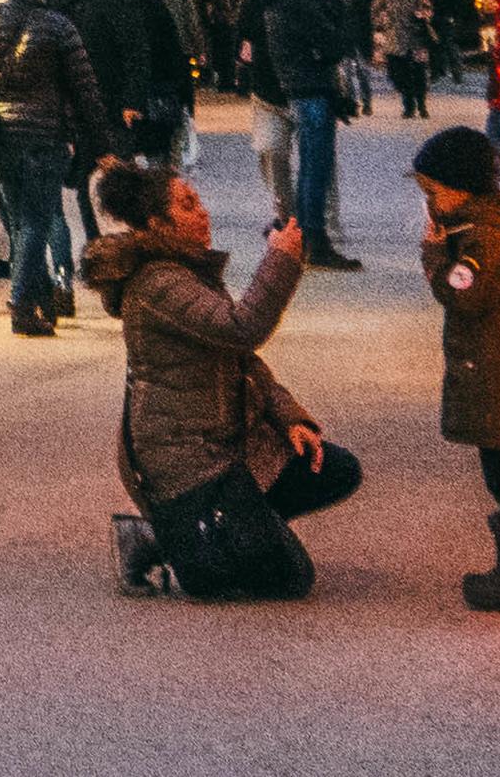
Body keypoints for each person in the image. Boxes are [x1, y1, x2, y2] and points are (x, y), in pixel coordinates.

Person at [86, 157, 362, 599]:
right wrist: (281, 259)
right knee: (284, 578)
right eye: (188, 206)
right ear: (158, 224)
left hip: (229, 446)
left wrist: (289, 417)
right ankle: (169, 535)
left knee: (334, 468)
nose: (204, 213)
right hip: (186, 462)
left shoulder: (186, 273)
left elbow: (241, 358)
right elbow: (243, 328)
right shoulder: (159, 284)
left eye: (198, 201)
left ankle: (224, 528)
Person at [414, 126, 500, 611]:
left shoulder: (483, 240)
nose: (428, 204)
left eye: (433, 193)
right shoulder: (485, 228)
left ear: (460, 187)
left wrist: (433, 258)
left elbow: (464, 293)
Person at [0, 0, 115, 336]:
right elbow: (86, 91)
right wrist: (100, 144)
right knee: (37, 220)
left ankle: (40, 296)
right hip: (46, 136)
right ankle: (22, 303)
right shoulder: (59, 27)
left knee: (19, 220)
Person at [46, 0, 191, 215]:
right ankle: (99, 250)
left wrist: (132, 99)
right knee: (87, 186)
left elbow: (135, 49)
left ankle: (122, 247)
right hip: (81, 106)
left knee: (114, 185)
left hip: (110, 105)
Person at [247, 0, 369, 266]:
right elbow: (334, 41)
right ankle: (313, 238)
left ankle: (303, 235)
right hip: (311, 87)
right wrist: (334, 16)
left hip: (295, 86)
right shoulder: (296, 1)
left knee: (309, 166)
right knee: (316, 167)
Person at [370, 0, 435, 125]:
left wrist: (423, 13)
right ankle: (408, 103)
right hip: (394, 37)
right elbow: (375, 11)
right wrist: (382, 20)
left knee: (419, 72)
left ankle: (420, 103)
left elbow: (428, 8)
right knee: (399, 74)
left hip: (416, 37)